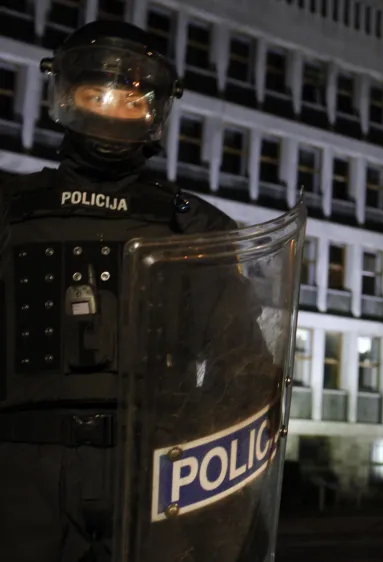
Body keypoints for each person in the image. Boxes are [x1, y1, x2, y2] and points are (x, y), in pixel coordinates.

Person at [0, 20, 282, 562]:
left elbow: (241, 365)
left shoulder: (194, 228)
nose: (113, 109)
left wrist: (219, 496)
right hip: (18, 470)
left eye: (132, 100)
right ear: (66, 95)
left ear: (155, 112)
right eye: (98, 94)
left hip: (154, 470)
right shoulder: (11, 206)